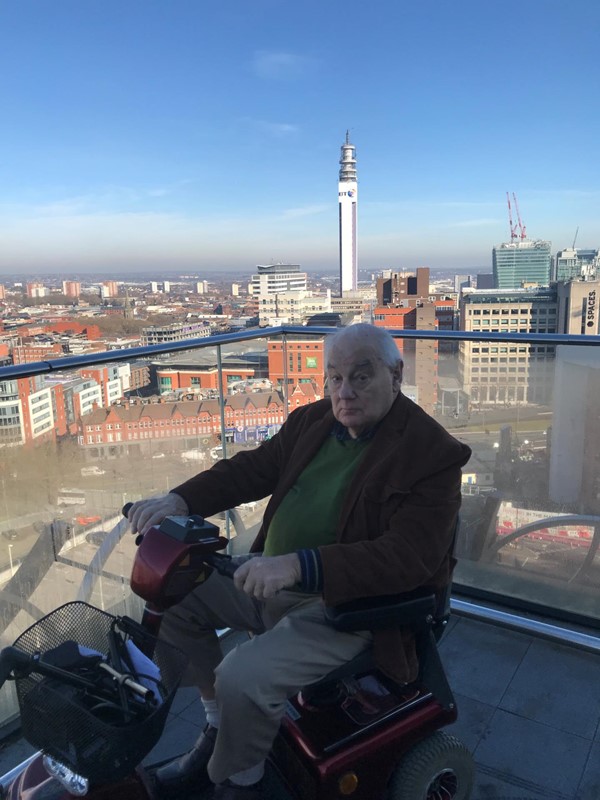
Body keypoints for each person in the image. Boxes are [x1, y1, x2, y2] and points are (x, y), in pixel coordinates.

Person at [127, 323, 471, 800]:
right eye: (334, 378)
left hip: (347, 607)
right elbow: (250, 469)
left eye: (361, 377)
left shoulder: (430, 455)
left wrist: (298, 565)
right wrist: (181, 500)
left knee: (242, 677)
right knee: (174, 592)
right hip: (272, 582)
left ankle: (242, 782)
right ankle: (217, 730)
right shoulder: (313, 423)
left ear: (396, 375)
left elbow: (408, 558)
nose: (344, 392)